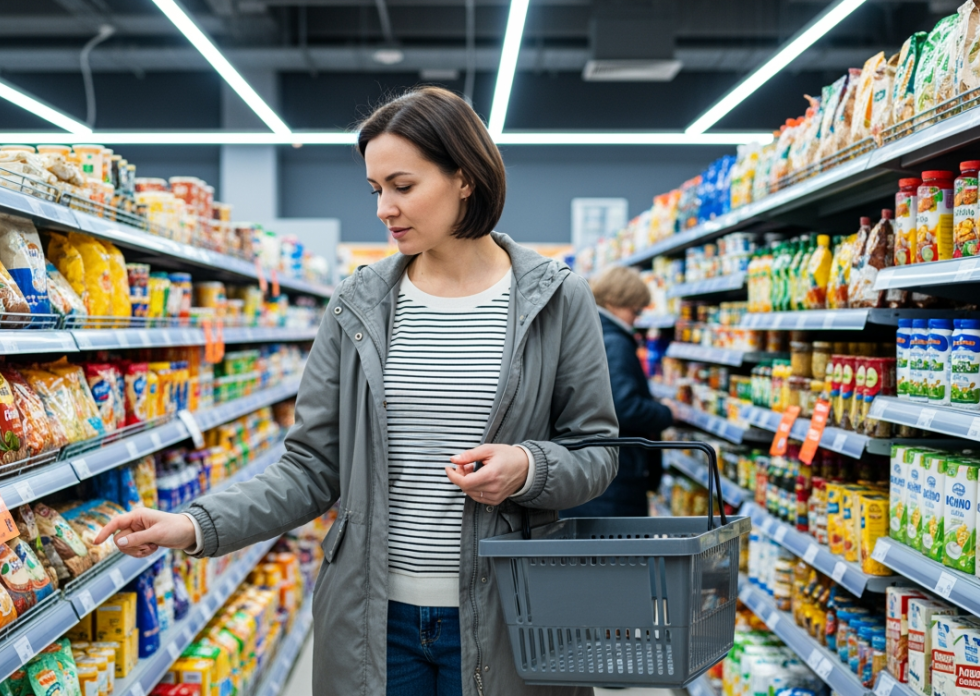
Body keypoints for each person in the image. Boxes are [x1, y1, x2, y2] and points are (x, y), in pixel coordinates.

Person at [94, 85, 618, 696]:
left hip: (509, 610)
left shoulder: (556, 298)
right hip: (374, 620)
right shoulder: (359, 302)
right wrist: (194, 524)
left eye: (403, 186)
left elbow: (597, 451)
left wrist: (530, 467)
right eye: (375, 190)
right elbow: (311, 467)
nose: (384, 209)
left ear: (465, 178)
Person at [562, 265, 673, 518]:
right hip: (615, 475)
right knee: (620, 542)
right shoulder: (614, 341)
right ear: (613, 302)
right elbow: (622, 407)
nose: (637, 319)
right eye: (635, 310)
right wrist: (666, 412)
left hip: (589, 467)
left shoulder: (586, 330)